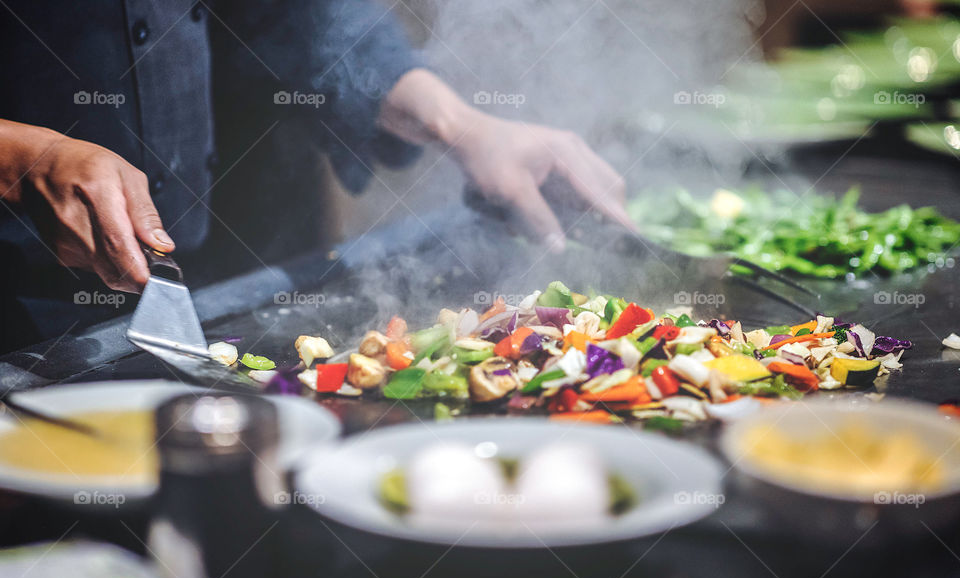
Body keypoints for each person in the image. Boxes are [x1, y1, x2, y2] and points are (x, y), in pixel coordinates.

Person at [0, 0, 633, 353]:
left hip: (250, 246)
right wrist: (19, 156)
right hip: (23, 298)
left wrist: (461, 125)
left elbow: (292, 12)